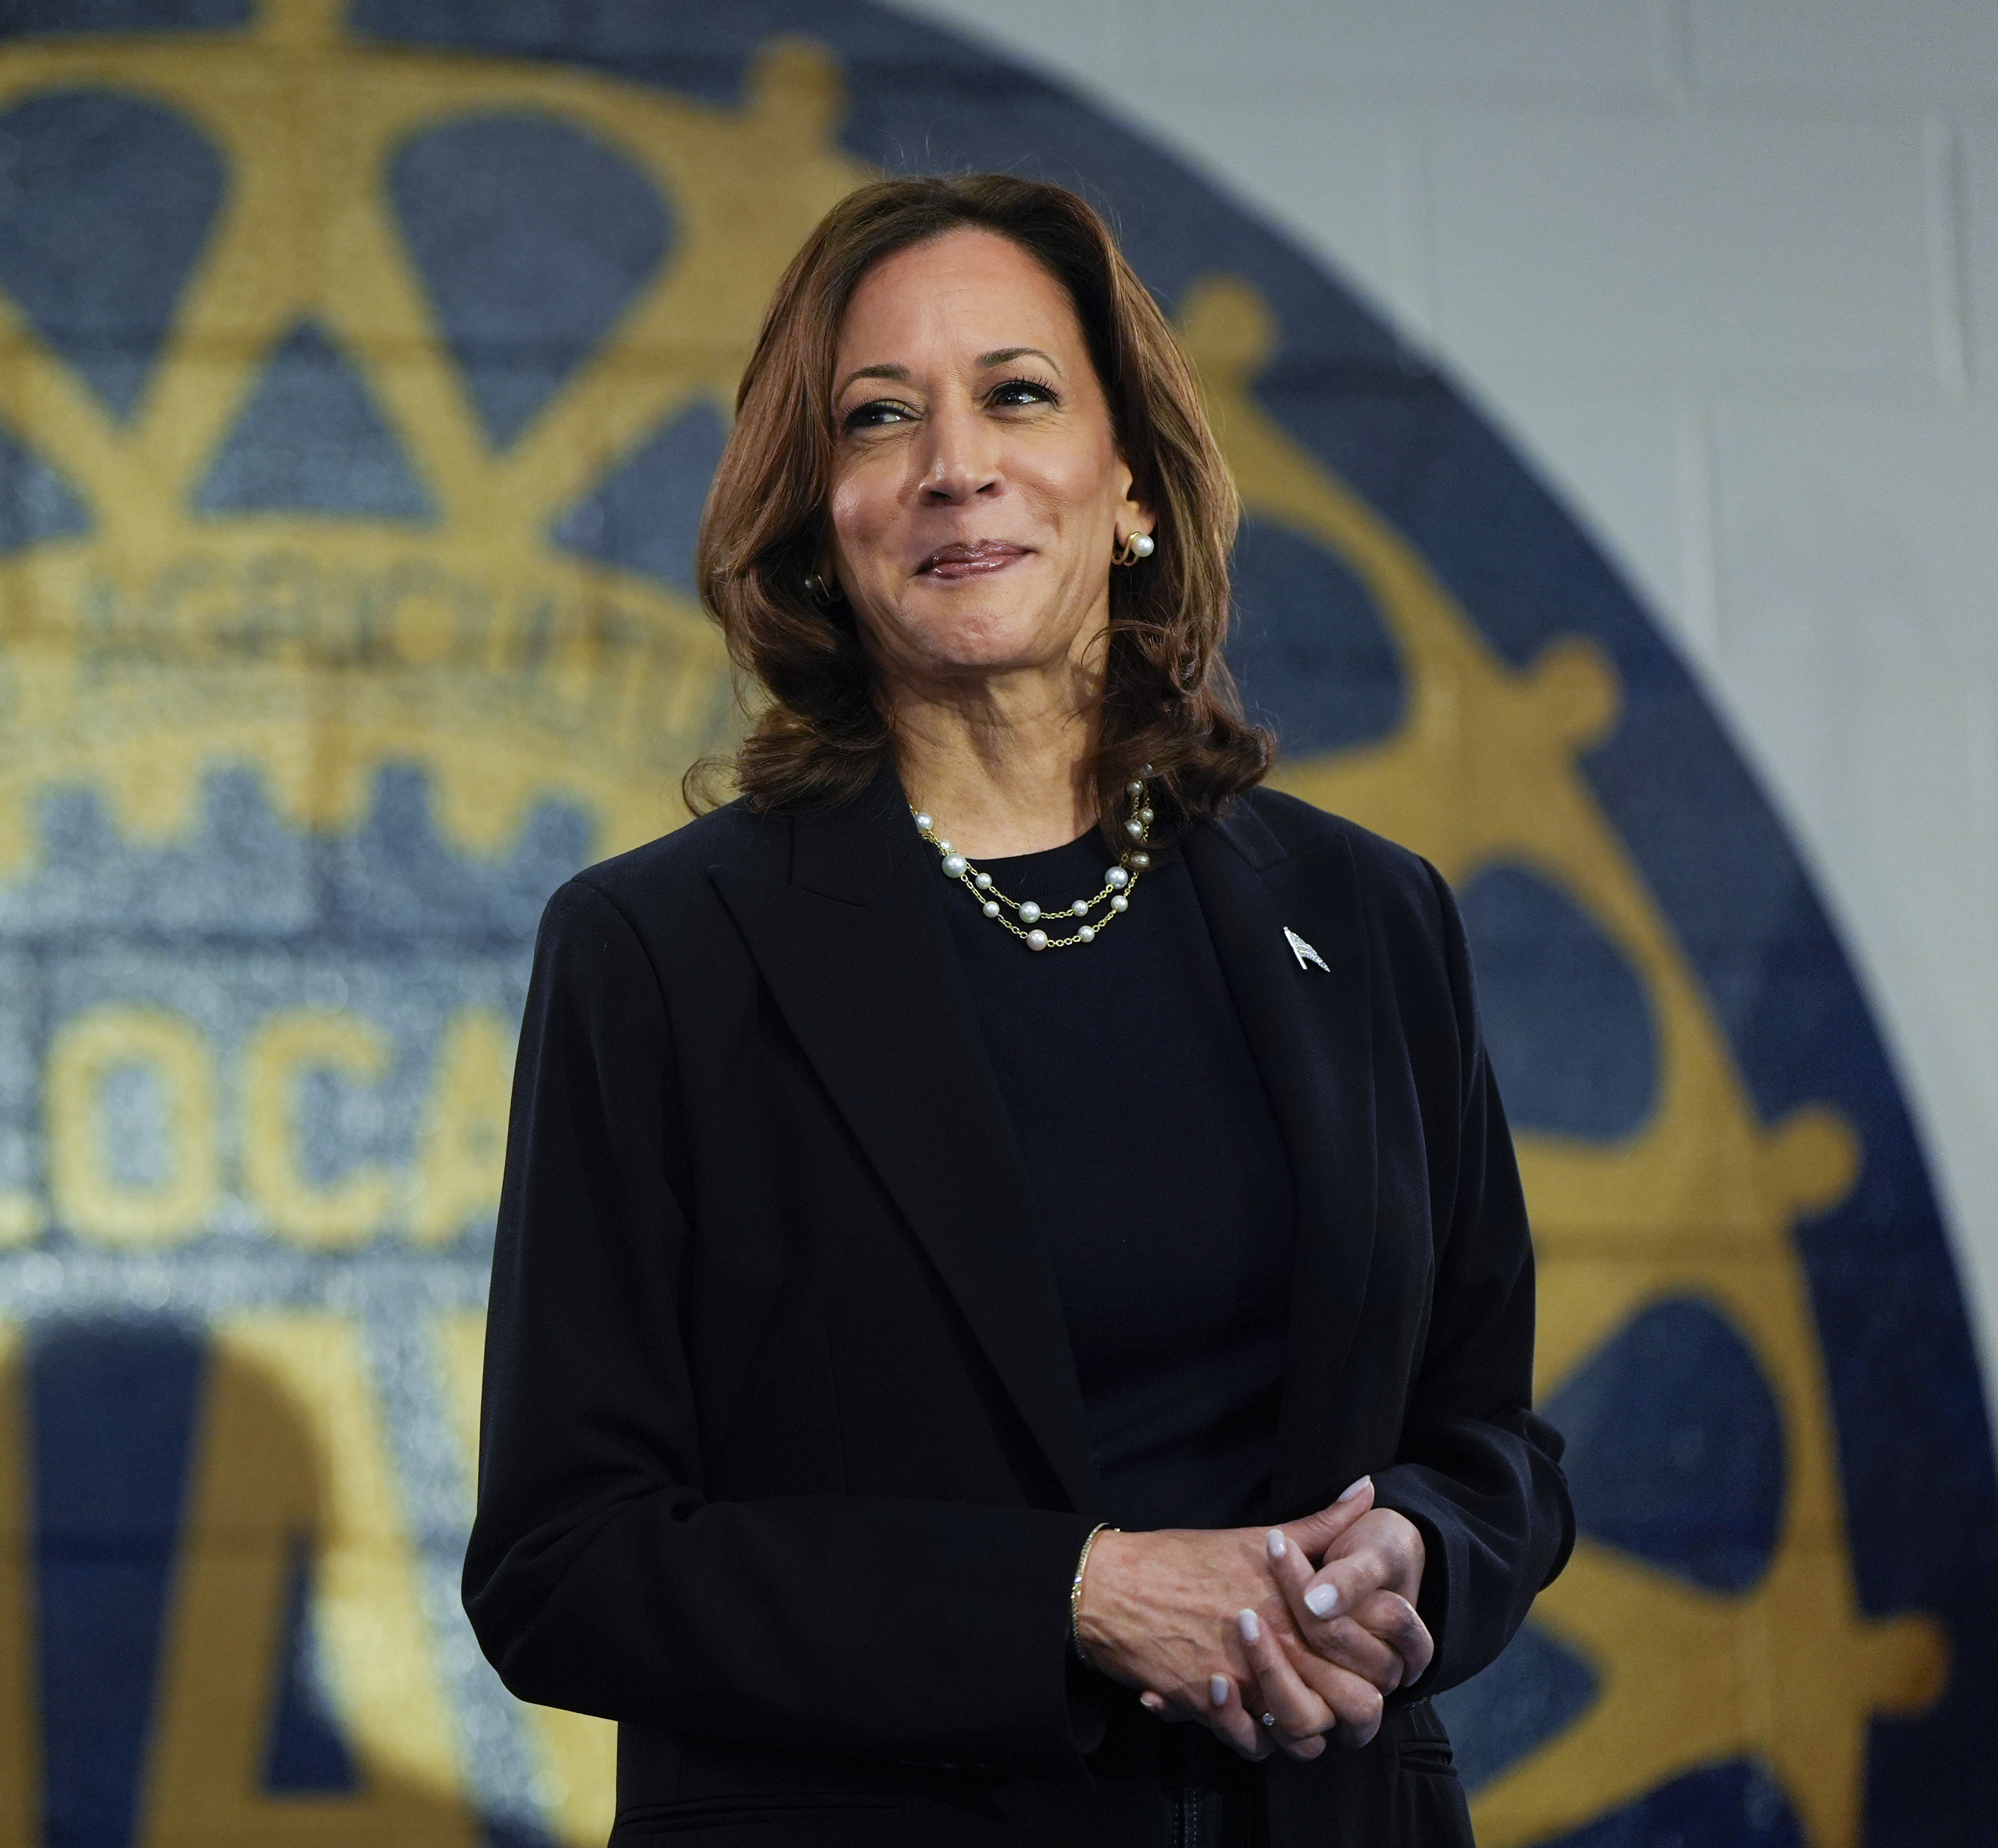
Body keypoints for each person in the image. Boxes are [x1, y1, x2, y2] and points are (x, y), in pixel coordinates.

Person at [462, 172, 1573, 1847]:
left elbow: (1495, 1444)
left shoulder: (1369, 915)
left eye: (1018, 394)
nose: (953, 465)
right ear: (820, 516)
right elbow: (569, 1563)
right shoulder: (663, 954)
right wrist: (1073, 1596)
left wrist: (1419, 1550)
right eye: (878, 418)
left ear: (1128, 478)